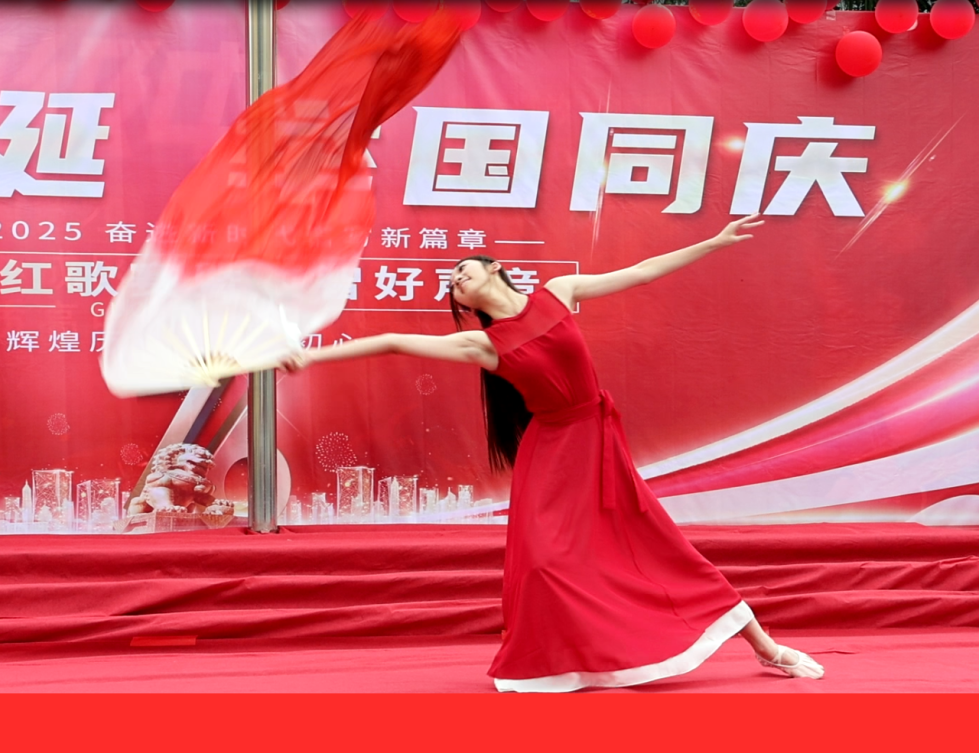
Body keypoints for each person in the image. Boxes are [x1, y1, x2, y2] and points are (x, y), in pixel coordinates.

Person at [281, 213, 825, 692]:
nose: (456, 279)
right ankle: (570, 662)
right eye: (452, 283)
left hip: (596, 438)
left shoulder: (558, 293)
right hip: (550, 451)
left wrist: (713, 242)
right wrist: (309, 358)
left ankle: (765, 646)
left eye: (463, 270)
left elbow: (641, 272)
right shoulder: (482, 344)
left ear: (494, 268)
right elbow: (392, 343)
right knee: (543, 563)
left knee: (657, 544)